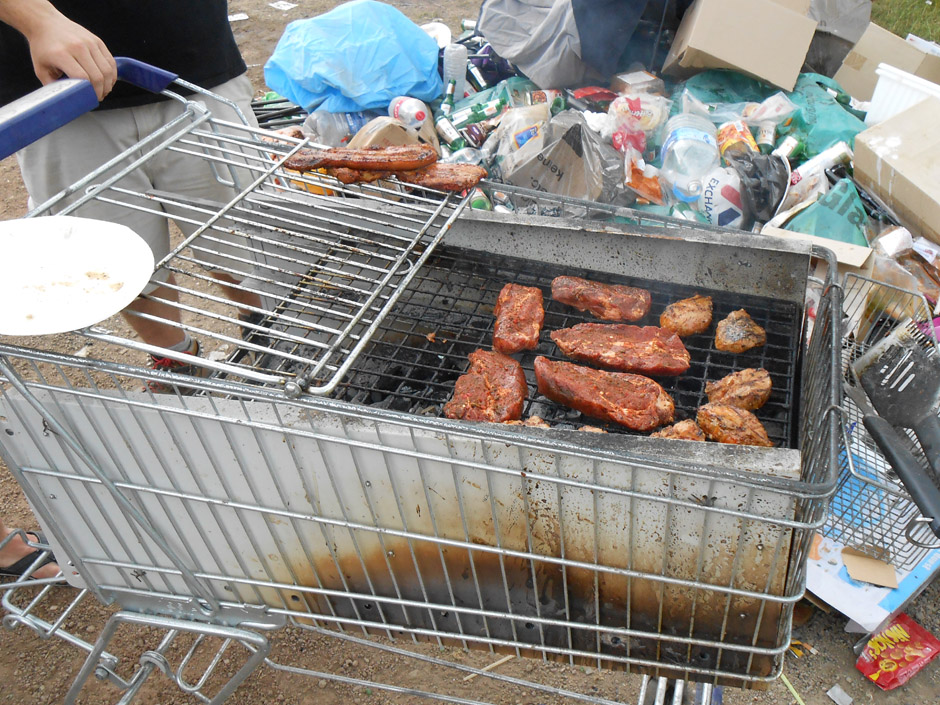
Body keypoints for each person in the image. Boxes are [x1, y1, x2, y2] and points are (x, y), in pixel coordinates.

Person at [0, 0, 265, 387]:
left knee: (245, 237)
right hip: (51, 97)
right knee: (114, 259)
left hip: (198, 65)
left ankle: (266, 333)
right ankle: (176, 362)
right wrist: (38, 21)